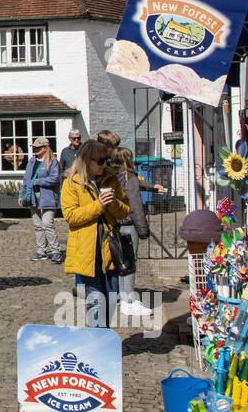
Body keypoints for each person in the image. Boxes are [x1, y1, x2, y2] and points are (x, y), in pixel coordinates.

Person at [60, 139, 130, 328]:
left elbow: (125, 211)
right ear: (86, 161)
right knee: (96, 300)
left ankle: (103, 336)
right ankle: (97, 342)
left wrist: (113, 203)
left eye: (106, 160)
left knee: (111, 297)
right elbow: (71, 216)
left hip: (110, 248)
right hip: (86, 250)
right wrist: (99, 205)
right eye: (99, 161)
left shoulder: (111, 179)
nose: (104, 165)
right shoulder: (71, 182)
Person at [113, 147, 154, 321]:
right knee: (129, 262)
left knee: (120, 261)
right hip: (128, 223)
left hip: (115, 223)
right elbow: (135, 205)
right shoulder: (130, 177)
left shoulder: (112, 175)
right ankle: (128, 301)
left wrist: (152, 188)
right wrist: (143, 230)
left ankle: (123, 297)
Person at [20, 136, 62, 263]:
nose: (35, 150)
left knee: (47, 223)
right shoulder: (32, 161)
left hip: (48, 197)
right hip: (32, 196)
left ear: (45, 148)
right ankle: (41, 251)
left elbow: (54, 179)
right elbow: (26, 179)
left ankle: (55, 251)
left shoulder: (52, 162)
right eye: (34, 147)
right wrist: (22, 194)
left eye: (38, 147)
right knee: (37, 225)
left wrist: (37, 181)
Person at [96, 129, 167, 195]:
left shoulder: (112, 162)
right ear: (102, 145)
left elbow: (128, 181)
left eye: (116, 147)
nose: (115, 150)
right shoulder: (93, 162)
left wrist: (152, 186)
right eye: (113, 147)